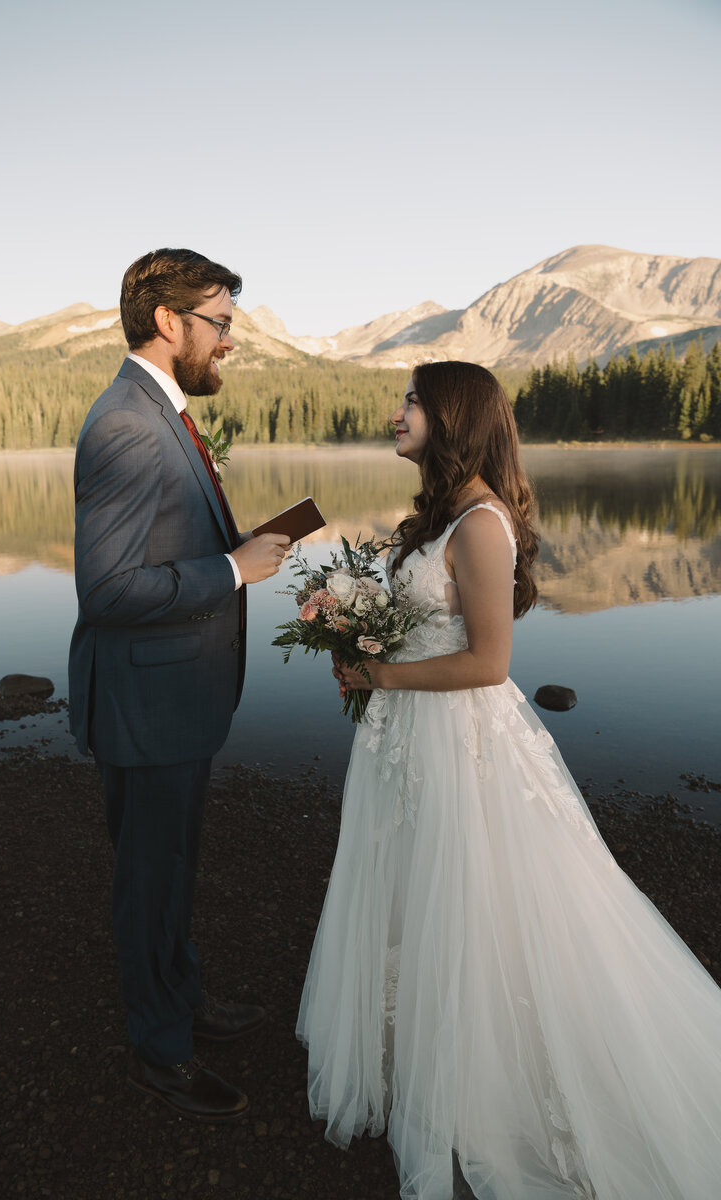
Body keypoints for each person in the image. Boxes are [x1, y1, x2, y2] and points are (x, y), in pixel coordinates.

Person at [297, 361, 721, 1199]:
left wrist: (379, 677)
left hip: (459, 744)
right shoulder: (437, 516)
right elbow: (423, 626)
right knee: (412, 889)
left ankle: (482, 1086)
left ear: (453, 417)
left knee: (476, 903)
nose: (397, 412)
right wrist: (356, 634)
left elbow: (490, 664)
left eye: (412, 401)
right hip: (406, 737)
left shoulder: (481, 524)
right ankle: (414, 1053)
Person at [69, 248, 290, 1123]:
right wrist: (234, 573)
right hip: (147, 706)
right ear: (171, 323)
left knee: (174, 866)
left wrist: (235, 557)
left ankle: (183, 994)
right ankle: (160, 1050)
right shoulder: (125, 422)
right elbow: (111, 589)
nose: (229, 341)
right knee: (150, 877)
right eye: (221, 323)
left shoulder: (161, 412)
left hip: (179, 702)